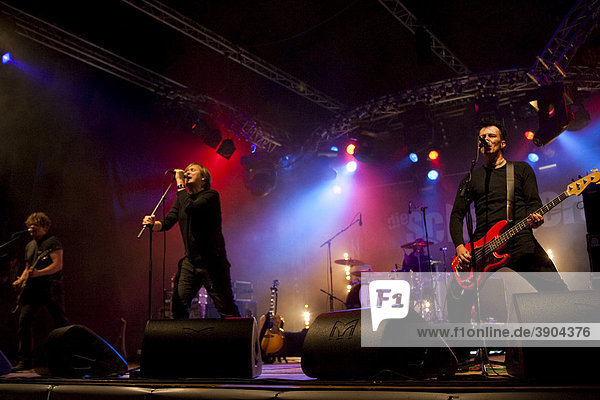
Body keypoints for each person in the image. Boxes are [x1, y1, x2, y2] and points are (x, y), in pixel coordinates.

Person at [447, 118, 567, 326]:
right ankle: (462, 354)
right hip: (481, 248)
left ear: (503, 143)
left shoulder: (520, 170)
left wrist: (535, 218)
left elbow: (533, 203)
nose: (486, 139)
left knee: (556, 290)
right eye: (482, 137)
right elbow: (457, 215)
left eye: (491, 136)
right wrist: (459, 246)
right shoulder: (470, 179)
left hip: (519, 241)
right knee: (455, 300)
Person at [142, 163, 240, 319]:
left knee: (226, 309)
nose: (187, 172)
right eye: (186, 170)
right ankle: (184, 341)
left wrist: (180, 183)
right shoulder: (182, 200)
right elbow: (167, 222)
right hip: (190, 262)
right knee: (178, 308)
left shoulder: (211, 196)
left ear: (203, 178)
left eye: (192, 170)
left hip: (212, 262)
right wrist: (153, 224)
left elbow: (192, 209)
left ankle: (242, 340)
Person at [12, 212, 69, 371]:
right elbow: (28, 267)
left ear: (44, 226)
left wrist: (39, 273)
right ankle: (25, 361)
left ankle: (69, 356)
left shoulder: (52, 242)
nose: (32, 232)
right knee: (24, 322)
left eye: (35, 228)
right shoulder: (30, 245)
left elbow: (57, 265)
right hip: (33, 290)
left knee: (60, 323)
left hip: (51, 287)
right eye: (29, 229)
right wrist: (21, 280)